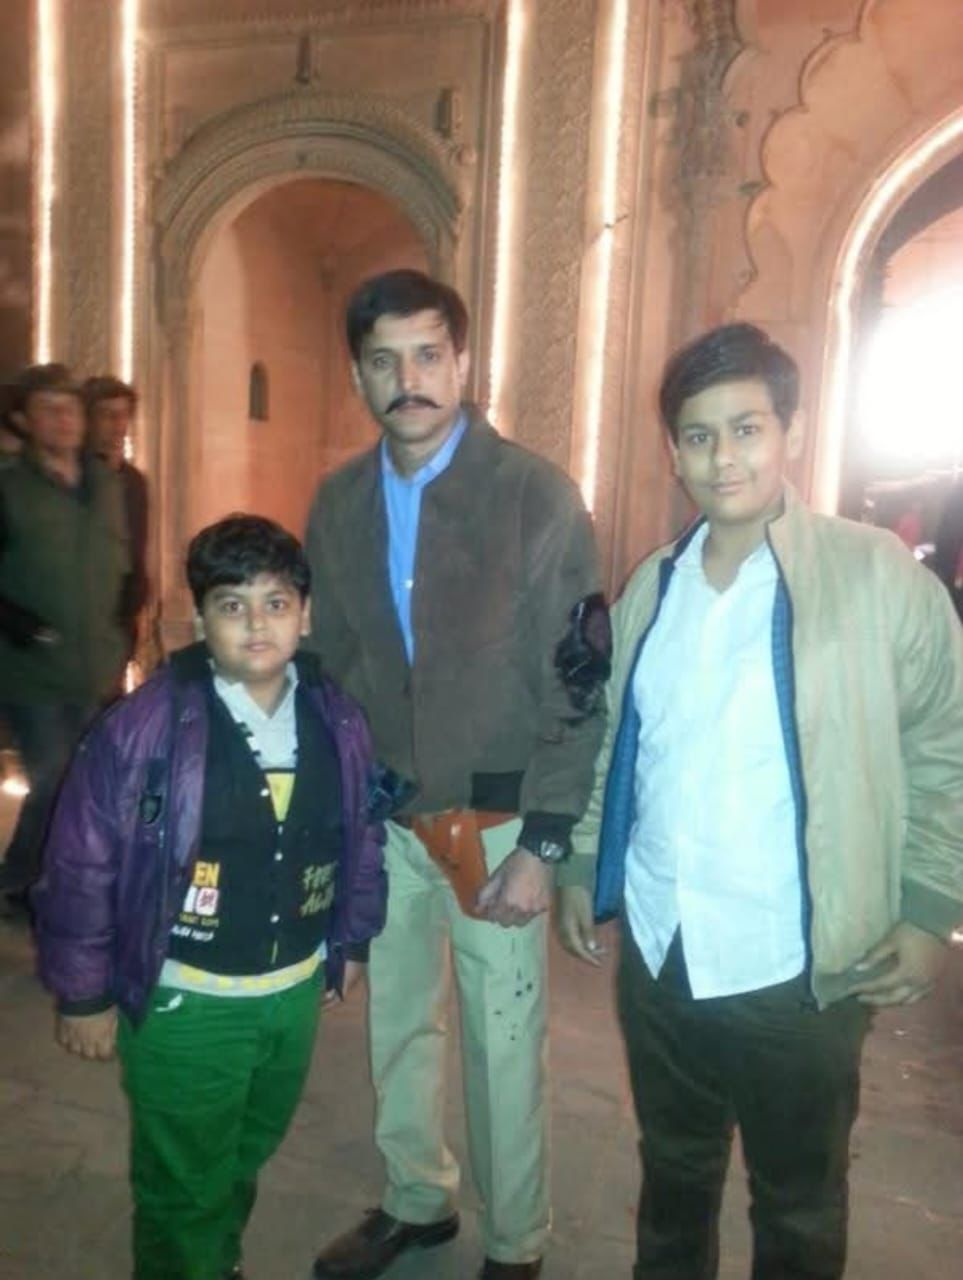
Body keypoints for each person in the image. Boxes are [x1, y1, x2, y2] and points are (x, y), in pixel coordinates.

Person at [561, 322, 963, 1280]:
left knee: (798, 1202)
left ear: (791, 432)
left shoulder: (874, 576)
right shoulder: (652, 586)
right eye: (699, 436)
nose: (723, 457)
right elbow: (615, 740)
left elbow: (942, 746)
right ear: (673, 451)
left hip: (799, 961)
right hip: (663, 948)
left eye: (746, 428)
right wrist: (582, 862)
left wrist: (927, 909)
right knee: (673, 1174)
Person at [305, 269, 606, 1280]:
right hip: (385, 815)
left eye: (428, 354)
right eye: (384, 361)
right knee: (398, 1023)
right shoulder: (339, 503)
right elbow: (330, 664)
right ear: (358, 375)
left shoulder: (532, 495)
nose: (410, 380)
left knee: (502, 1042)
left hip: (494, 821)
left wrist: (545, 840)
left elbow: (577, 678)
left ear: (463, 361)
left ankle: (516, 1243)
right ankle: (415, 1200)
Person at [33, 514, 389, 1280]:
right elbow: (82, 862)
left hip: (291, 993)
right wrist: (83, 994)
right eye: (232, 605)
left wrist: (352, 938)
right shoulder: (144, 727)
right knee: (184, 1183)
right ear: (199, 620)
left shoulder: (336, 719)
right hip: (186, 1001)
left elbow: (361, 835)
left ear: (305, 614)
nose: (257, 624)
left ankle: (214, 1262)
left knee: (241, 1153)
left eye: (275, 602)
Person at [0, 363, 129, 904]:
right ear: (24, 421)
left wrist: (120, 633)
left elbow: (123, 564)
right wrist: (26, 629)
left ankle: (62, 879)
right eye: (48, 409)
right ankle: (20, 879)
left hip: (95, 665)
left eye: (70, 408)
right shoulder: (9, 487)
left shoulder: (108, 484)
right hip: (30, 671)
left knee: (91, 780)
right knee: (54, 773)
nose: (63, 419)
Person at [83, 374, 151, 664]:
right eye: (107, 415)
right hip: (81, 617)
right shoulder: (72, 477)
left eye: (123, 415)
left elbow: (136, 548)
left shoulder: (134, 481)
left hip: (119, 623)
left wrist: (134, 605)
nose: (118, 425)